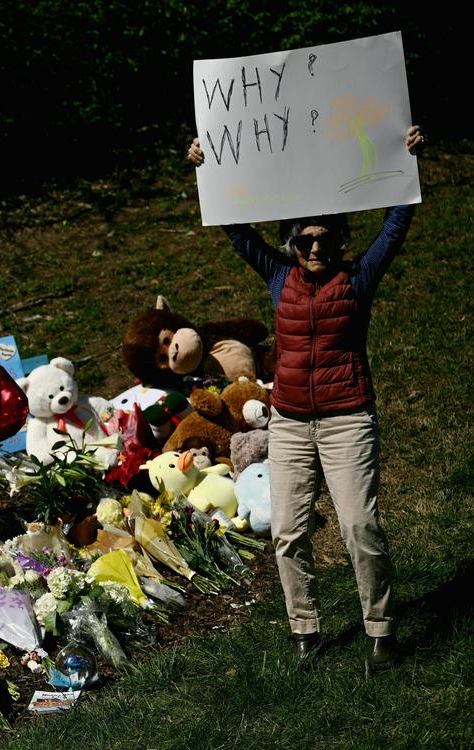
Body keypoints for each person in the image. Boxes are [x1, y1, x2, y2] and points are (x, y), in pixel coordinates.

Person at [187, 125, 425, 670]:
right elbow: (236, 228)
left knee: (358, 526)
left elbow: (396, 223)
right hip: (289, 422)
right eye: (304, 240)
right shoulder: (278, 275)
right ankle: (304, 629)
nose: (315, 247)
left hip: (347, 420)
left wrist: (407, 161)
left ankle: (382, 631)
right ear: (292, 243)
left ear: (340, 241)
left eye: (325, 239)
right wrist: (207, 167)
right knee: (289, 531)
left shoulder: (358, 277)